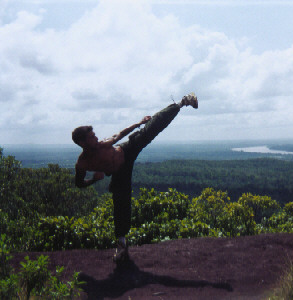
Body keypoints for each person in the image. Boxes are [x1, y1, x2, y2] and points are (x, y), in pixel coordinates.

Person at [72, 93, 198, 262]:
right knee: (120, 203)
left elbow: (119, 135)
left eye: (94, 135)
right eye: (91, 137)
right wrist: (94, 179)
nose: (96, 137)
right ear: (82, 143)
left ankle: (183, 102)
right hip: (119, 172)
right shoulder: (82, 164)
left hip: (126, 150)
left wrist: (138, 123)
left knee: (149, 130)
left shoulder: (102, 145)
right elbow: (79, 184)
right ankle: (122, 245)